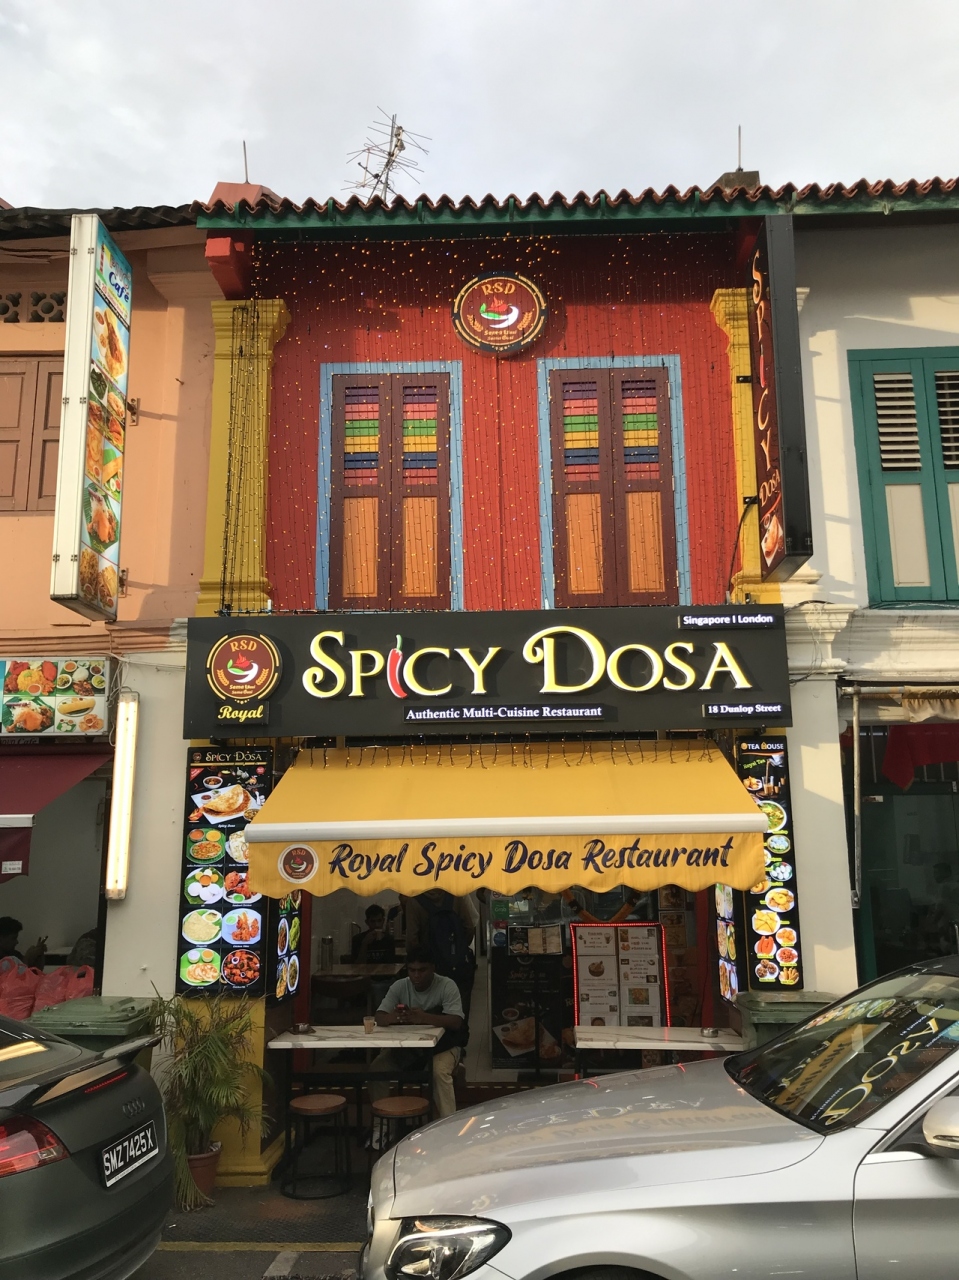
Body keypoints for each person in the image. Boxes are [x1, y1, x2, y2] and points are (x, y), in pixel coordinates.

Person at [369, 945, 465, 1121]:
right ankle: (381, 1125)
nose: (416, 975)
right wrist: (395, 1017)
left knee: (438, 1072)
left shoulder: (447, 985)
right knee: (377, 1069)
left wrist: (423, 1017)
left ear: (433, 968)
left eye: (422, 970)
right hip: (407, 1049)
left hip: (443, 1047)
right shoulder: (400, 986)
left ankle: (448, 1124)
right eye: (412, 970)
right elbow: (379, 1017)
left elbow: (456, 1022)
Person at [404, 890, 477, 1016]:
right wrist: (458, 950)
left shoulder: (413, 902)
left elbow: (412, 940)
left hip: (430, 968)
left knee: (432, 1015)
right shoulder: (456, 897)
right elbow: (469, 928)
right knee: (460, 1012)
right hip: (458, 966)